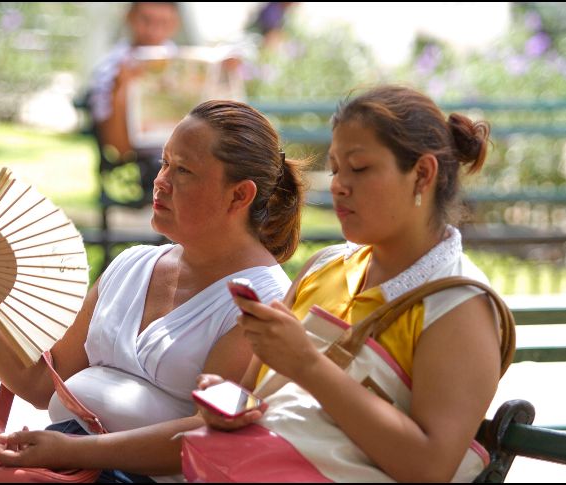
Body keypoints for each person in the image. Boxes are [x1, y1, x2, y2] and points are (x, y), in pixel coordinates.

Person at [0, 99, 305, 482]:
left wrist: (73, 450)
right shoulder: (133, 265)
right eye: (164, 163)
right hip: (71, 459)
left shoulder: (261, 303)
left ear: (239, 195)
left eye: (183, 170)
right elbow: (40, 385)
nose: (160, 181)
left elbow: (206, 436)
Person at [196, 85, 504, 482]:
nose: (339, 184)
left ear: (422, 174)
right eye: (336, 168)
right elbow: (258, 402)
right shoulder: (324, 268)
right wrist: (226, 406)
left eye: (359, 168)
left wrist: (307, 365)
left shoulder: (458, 305)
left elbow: (430, 467)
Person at [87, 1, 181, 198]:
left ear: (174, 24)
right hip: (144, 159)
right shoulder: (112, 67)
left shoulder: (183, 61)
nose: (153, 31)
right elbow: (117, 147)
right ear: (129, 17)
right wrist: (122, 88)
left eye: (163, 23)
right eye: (145, 20)